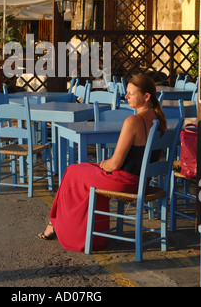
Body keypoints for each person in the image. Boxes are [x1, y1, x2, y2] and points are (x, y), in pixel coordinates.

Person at [38, 74, 167, 252]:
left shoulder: (133, 121)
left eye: (130, 93)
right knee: (79, 170)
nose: (126, 96)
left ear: (146, 96)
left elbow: (114, 165)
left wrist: (100, 165)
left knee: (72, 171)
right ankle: (76, 230)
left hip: (125, 182)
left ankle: (59, 226)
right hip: (141, 182)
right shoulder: (159, 120)